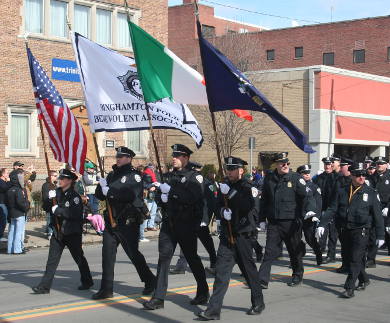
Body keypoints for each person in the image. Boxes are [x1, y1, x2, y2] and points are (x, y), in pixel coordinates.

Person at [197, 157, 264, 320]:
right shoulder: (224, 186)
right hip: (228, 237)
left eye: (233, 169)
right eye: (228, 169)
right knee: (221, 274)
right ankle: (213, 311)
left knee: (249, 272)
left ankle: (258, 302)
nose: (229, 172)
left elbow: (247, 206)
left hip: (243, 237)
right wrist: (222, 213)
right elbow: (217, 205)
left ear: (241, 170)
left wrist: (231, 194)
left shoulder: (247, 187)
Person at [143, 144, 209, 310]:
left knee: (192, 258)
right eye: (174, 155)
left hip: (186, 224)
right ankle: (158, 297)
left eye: (178, 156)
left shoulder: (194, 177)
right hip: (169, 223)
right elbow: (159, 195)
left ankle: (203, 291)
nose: (174, 158)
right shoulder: (167, 176)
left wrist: (171, 192)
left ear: (186, 158)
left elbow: (193, 197)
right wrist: (161, 198)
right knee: (163, 258)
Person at [93, 146, 156, 300]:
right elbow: (100, 196)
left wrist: (111, 192)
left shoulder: (134, 176)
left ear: (129, 158)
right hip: (111, 221)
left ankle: (150, 280)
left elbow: (130, 194)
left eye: (121, 156)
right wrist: (101, 187)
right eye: (117, 156)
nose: (118, 159)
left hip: (127, 221)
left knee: (133, 254)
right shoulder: (112, 174)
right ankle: (106, 289)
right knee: (107, 255)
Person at [316, 163, 384, 298]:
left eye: (364, 175)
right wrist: (322, 224)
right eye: (358, 175)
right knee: (349, 258)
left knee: (355, 258)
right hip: (345, 229)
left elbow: (378, 216)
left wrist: (380, 235)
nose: (361, 178)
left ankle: (349, 288)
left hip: (362, 229)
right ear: (352, 175)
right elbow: (332, 209)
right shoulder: (342, 191)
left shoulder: (371, 193)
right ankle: (364, 279)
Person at [32, 169, 93, 294]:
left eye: (63, 178)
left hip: (71, 232)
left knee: (79, 258)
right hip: (58, 232)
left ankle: (87, 281)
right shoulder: (57, 192)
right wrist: (49, 199)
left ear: (70, 181)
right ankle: (44, 286)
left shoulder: (74, 196)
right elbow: (46, 207)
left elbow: (74, 214)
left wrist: (58, 210)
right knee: (52, 260)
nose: (60, 180)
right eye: (59, 178)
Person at [258, 152, 313, 288]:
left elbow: (306, 196)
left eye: (287, 163)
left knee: (293, 251)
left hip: (291, 222)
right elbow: (264, 200)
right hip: (275, 222)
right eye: (282, 163)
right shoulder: (270, 179)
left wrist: (308, 211)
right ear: (276, 164)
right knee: (269, 251)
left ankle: (297, 275)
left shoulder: (295, 178)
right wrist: (261, 219)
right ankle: (262, 279)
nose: (285, 166)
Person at [169, 162, 217, 275]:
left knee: (207, 243)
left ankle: (214, 263)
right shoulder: (186, 182)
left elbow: (209, 203)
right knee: (185, 242)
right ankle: (181, 266)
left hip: (200, 219)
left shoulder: (207, 184)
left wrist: (205, 220)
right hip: (189, 217)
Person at [365, 156, 390, 266]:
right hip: (375, 209)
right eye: (377, 163)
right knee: (373, 234)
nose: (379, 165)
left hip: (387, 208)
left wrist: (388, 207)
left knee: (388, 233)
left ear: (386, 165)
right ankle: (371, 259)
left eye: (381, 163)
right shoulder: (371, 177)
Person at [297, 164, 323, 265]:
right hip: (298, 216)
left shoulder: (314, 187)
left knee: (310, 239)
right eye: (304, 173)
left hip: (309, 217)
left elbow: (318, 202)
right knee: (295, 239)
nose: (307, 175)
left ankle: (318, 254)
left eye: (308, 173)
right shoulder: (296, 185)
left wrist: (316, 215)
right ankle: (297, 259)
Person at [6, 169, 30, 254]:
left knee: (12, 231)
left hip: (12, 213)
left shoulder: (9, 190)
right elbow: (20, 203)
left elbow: (7, 203)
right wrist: (27, 206)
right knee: (18, 232)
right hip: (19, 213)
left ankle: (10, 249)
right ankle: (17, 249)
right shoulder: (19, 190)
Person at [41, 170, 58, 240]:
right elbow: (45, 197)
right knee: (49, 220)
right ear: (51, 176)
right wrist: (51, 198)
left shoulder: (54, 184)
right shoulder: (46, 185)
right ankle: (49, 233)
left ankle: (51, 232)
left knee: (53, 220)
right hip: (49, 205)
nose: (56, 177)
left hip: (54, 205)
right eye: (55, 176)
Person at [0, 168, 10, 242]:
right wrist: (9, 182)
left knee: (4, 221)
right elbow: (5, 188)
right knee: (3, 221)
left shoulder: (4, 181)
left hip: (4, 203)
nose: (8, 174)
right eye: (7, 173)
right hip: (1, 203)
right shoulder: (1, 181)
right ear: (3, 174)